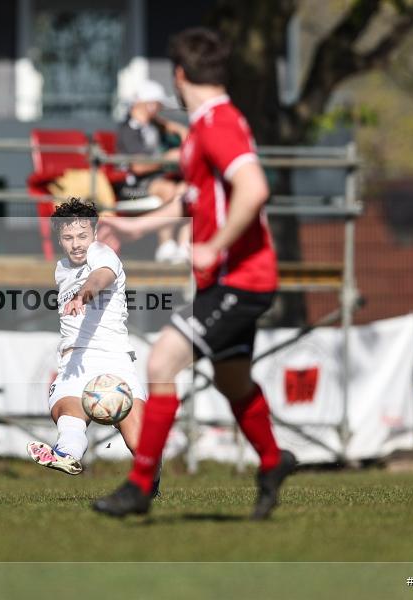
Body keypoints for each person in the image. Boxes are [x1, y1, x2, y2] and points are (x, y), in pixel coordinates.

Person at [94, 28, 296, 520]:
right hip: (230, 278)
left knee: (162, 364)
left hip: (240, 278)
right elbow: (194, 198)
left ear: (179, 76)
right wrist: (135, 225)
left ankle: (141, 484)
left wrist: (214, 247)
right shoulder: (208, 124)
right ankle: (273, 461)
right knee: (233, 382)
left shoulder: (217, 123)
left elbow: (254, 189)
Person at [26, 198, 159, 494]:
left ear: (95, 233)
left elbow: (100, 278)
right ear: (59, 238)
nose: (76, 244)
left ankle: (151, 483)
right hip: (73, 363)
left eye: (82, 236)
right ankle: (67, 455)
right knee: (66, 411)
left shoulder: (103, 254)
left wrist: (83, 295)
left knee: (141, 444)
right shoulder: (60, 269)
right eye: (68, 237)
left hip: (113, 361)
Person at [116, 79, 190, 263]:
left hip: (156, 182)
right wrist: (168, 158)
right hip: (131, 191)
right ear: (148, 104)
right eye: (158, 104)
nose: (160, 109)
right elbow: (138, 167)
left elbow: (187, 136)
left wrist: (167, 124)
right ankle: (165, 244)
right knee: (169, 190)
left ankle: (183, 245)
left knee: (188, 191)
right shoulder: (128, 130)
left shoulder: (154, 127)